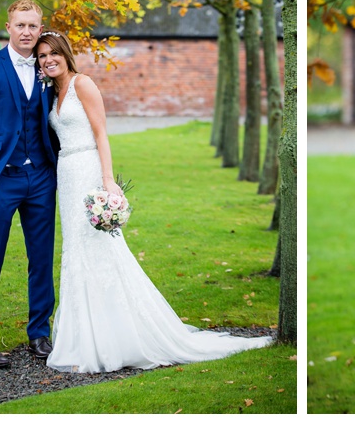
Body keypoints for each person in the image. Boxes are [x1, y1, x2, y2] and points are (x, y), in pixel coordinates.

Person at [34, 31, 272, 373]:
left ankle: (119, 337)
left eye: (52, 54)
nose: (47, 60)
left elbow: (101, 133)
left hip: (88, 169)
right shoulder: (50, 92)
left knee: (101, 250)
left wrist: (107, 182)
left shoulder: (82, 84)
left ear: (64, 54)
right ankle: (84, 335)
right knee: (76, 251)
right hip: (66, 175)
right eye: (42, 56)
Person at [0, 0, 59, 368]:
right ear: (8, 27)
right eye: (20, 25)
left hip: (41, 179)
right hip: (1, 179)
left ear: (41, 27)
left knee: (41, 258)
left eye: (33, 26)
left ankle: (39, 333)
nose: (27, 32)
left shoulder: (48, 66)